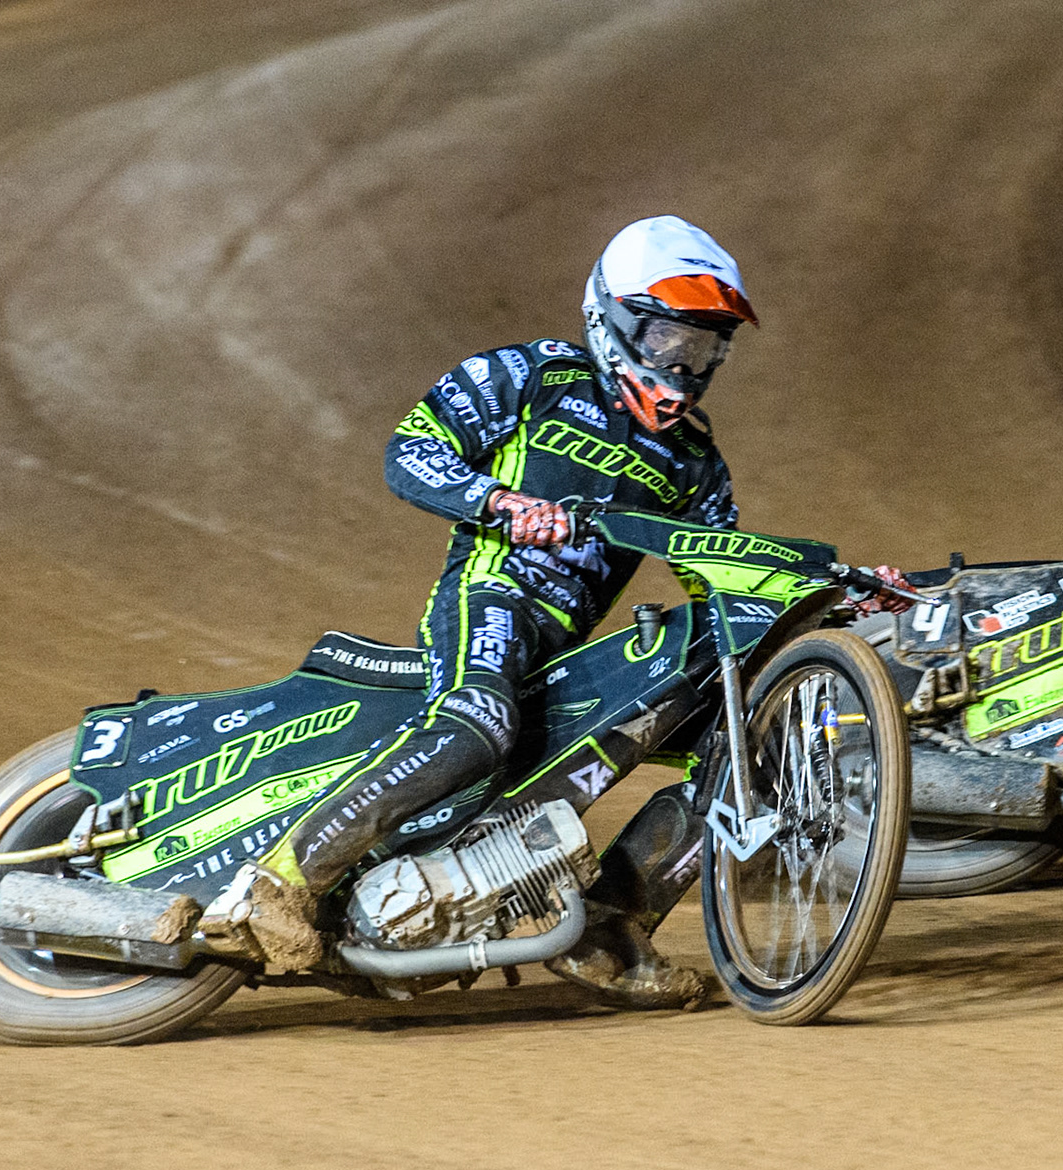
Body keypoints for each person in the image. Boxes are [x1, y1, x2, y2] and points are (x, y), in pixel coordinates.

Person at [198, 215, 907, 1007]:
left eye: (704, 350)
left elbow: (724, 585)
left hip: (569, 649)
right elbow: (412, 450)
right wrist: (498, 504)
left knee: (740, 744)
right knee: (479, 726)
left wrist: (827, 594)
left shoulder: (696, 464)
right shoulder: (531, 376)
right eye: (672, 341)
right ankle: (280, 882)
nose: (686, 366)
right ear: (617, 320)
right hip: (494, 594)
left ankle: (609, 927)